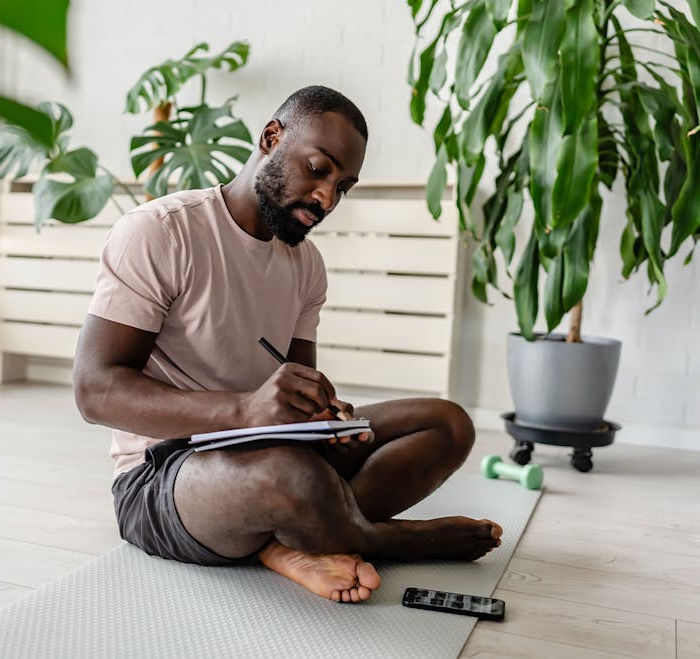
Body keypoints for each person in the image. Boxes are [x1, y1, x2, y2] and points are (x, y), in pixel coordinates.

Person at [73, 85, 503, 603]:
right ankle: (378, 539)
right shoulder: (161, 232)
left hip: (270, 451)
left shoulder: (306, 266)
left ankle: (293, 539)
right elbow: (95, 391)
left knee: (446, 422)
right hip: (163, 476)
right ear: (271, 138)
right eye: (318, 169)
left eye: (343, 187)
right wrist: (245, 411)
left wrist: (326, 417)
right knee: (291, 476)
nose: (327, 198)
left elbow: (297, 399)